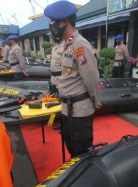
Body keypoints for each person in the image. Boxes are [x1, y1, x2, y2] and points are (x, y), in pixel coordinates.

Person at [44, 0, 101, 157]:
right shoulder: (65, 45)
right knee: (72, 150)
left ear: (64, 22)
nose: (51, 25)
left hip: (79, 111)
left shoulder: (80, 45)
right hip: (67, 109)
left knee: (82, 154)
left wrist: (96, 100)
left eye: (53, 22)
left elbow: (91, 77)